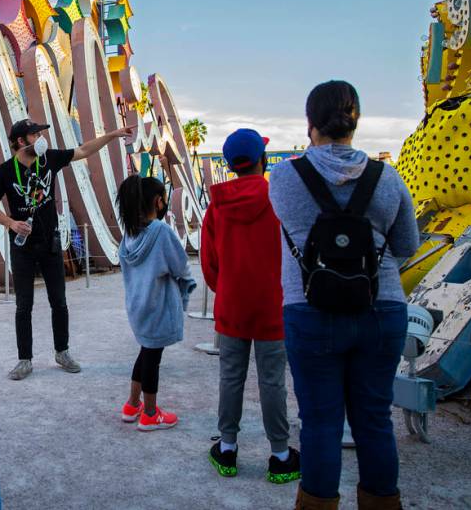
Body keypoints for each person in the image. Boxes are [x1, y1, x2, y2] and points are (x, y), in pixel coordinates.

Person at [269, 81, 418, 510]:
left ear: (310, 123)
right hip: (381, 305)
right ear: (356, 122)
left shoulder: (284, 176)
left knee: (319, 423)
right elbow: (407, 243)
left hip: (310, 308)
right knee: (374, 420)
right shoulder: (387, 178)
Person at [0, 118, 133, 380]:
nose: (42, 138)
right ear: (21, 141)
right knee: (24, 306)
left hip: (50, 242)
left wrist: (112, 133)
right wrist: (11, 223)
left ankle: (62, 352)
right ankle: (24, 360)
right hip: (22, 247)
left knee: (59, 302)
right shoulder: (5, 171)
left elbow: (84, 150)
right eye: (36, 134)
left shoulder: (49, 159)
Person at [201, 128, 301, 483]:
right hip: (274, 304)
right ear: (262, 159)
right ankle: (280, 454)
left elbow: (209, 265)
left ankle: (227, 449)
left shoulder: (216, 206)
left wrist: (227, 287)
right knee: (273, 380)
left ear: (230, 164)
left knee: (231, 377)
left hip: (231, 304)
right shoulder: (280, 197)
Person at [116, 175, 196, 430]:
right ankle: (150, 413)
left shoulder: (128, 234)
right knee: (152, 358)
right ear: (157, 201)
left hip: (138, 304)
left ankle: (132, 404)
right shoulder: (160, 232)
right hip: (158, 305)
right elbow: (180, 265)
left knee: (146, 351)